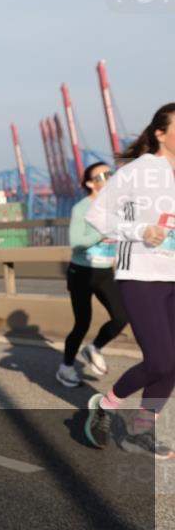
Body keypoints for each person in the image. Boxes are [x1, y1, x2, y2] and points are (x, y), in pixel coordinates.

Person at [85, 102, 175, 458]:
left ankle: (139, 431)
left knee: (174, 362)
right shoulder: (138, 170)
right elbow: (97, 215)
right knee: (160, 361)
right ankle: (105, 404)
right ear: (160, 133)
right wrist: (140, 230)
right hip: (140, 273)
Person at [56, 162, 129, 387]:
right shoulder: (82, 208)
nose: (109, 177)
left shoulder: (117, 206)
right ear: (90, 183)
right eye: (103, 175)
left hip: (106, 272)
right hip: (81, 273)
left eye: (111, 173)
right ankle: (66, 367)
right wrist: (101, 232)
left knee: (122, 317)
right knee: (82, 324)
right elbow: (76, 243)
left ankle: (94, 348)